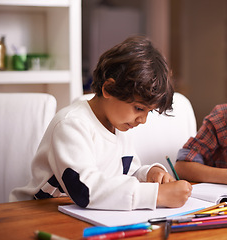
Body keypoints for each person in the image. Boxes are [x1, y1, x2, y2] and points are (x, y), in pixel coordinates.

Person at [10, 36, 192, 210]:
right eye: (138, 108)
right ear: (108, 89)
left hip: (84, 214)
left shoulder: (119, 125)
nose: (143, 120)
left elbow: (126, 174)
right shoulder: (71, 124)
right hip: (36, 213)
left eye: (148, 112)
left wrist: (149, 174)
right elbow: (85, 190)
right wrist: (156, 195)